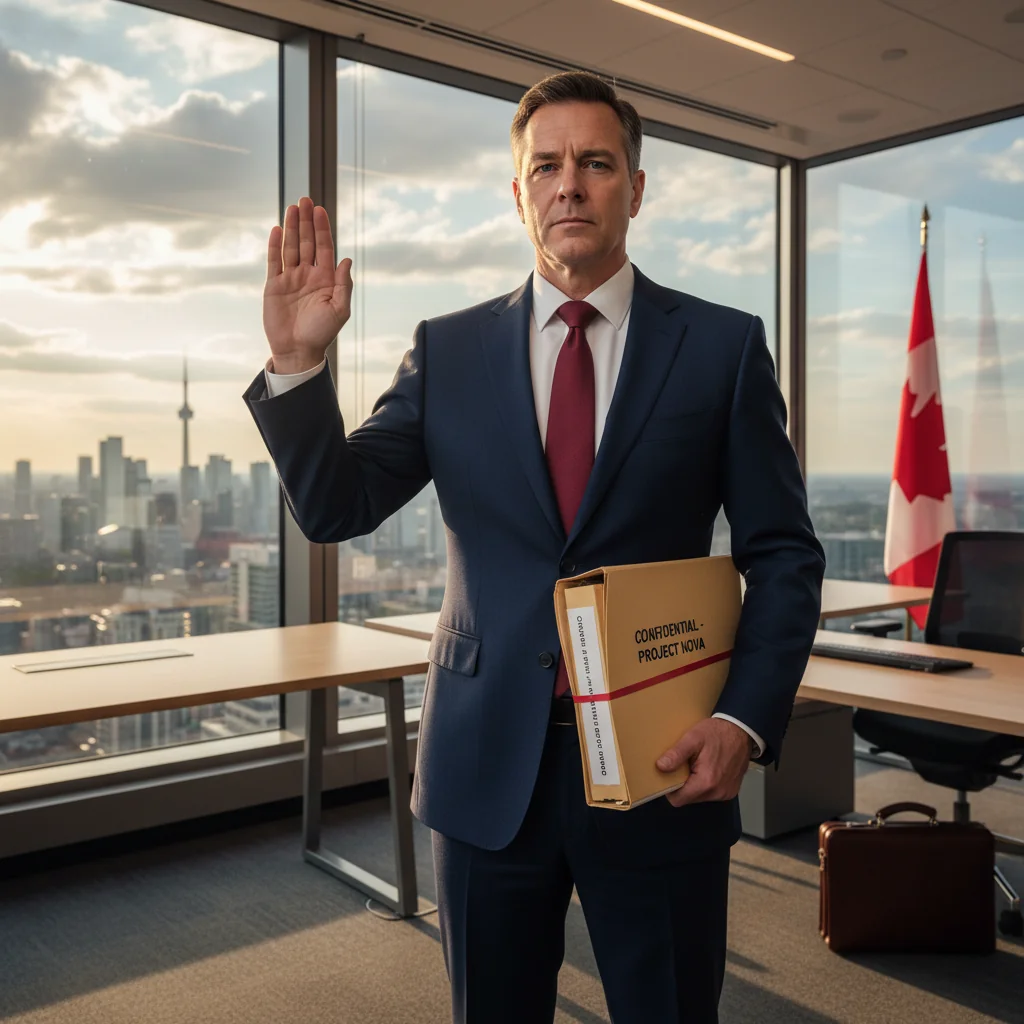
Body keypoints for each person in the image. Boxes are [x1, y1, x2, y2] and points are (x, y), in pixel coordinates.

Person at [244, 70, 824, 1024]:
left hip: (663, 763)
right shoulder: (450, 349)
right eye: (546, 166)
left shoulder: (722, 348)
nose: (570, 185)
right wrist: (300, 365)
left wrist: (744, 721)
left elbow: (787, 555)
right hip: (485, 765)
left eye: (596, 163)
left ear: (634, 188)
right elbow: (335, 507)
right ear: (519, 195)